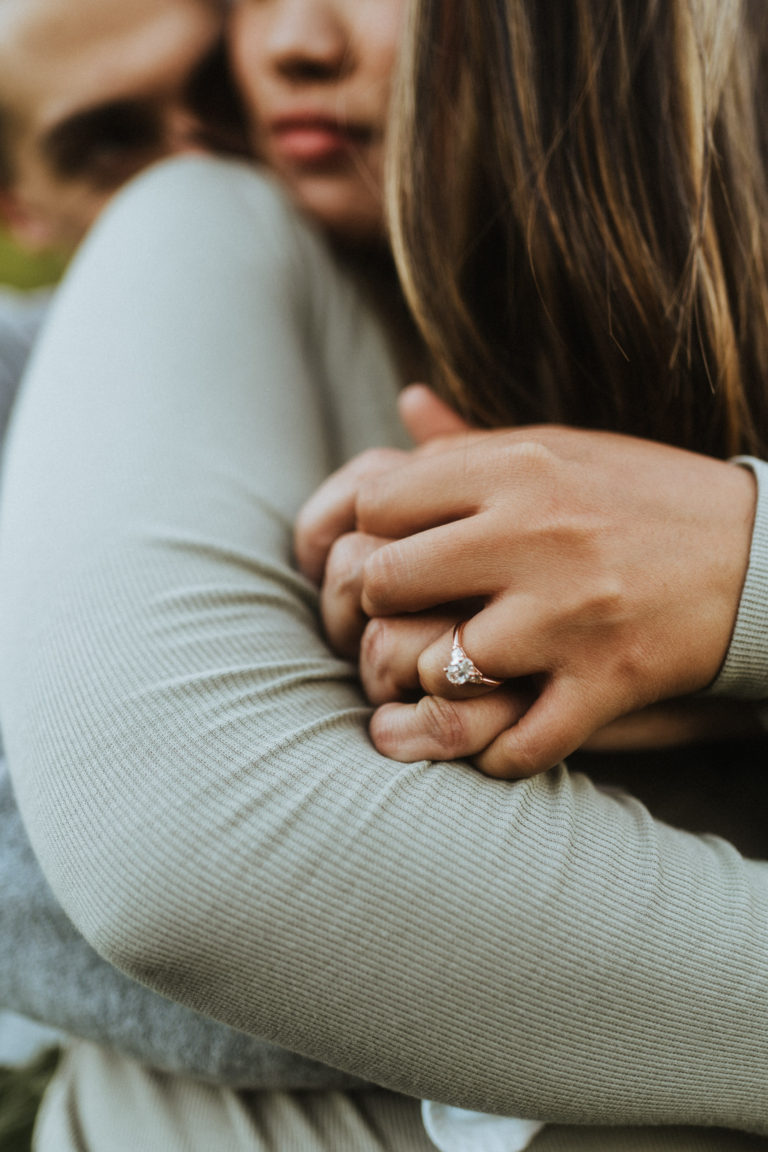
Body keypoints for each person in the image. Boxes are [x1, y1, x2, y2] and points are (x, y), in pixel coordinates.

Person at [4, 4, 768, 1152]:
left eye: (211, 89)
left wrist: (740, 579)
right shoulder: (193, 240)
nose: (273, 73)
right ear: (18, 206)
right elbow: (202, 865)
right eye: (111, 139)